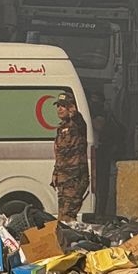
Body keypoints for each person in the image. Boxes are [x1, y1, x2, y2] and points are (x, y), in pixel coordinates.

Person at [52, 90, 91, 221]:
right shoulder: (61, 128)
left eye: (63, 106)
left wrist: (75, 114)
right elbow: (60, 155)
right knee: (62, 216)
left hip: (75, 178)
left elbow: (79, 121)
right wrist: (55, 174)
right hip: (63, 180)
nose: (59, 109)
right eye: (58, 106)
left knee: (68, 216)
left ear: (71, 107)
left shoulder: (77, 125)